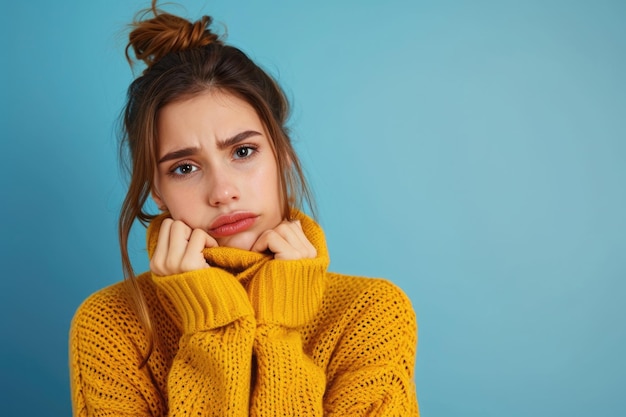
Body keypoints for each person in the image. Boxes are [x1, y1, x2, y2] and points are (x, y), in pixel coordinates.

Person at [69, 1, 419, 415]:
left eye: (243, 151)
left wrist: (279, 325)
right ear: (157, 192)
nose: (222, 192)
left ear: (282, 154)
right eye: (184, 167)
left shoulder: (370, 313)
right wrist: (210, 320)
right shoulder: (111, 324)